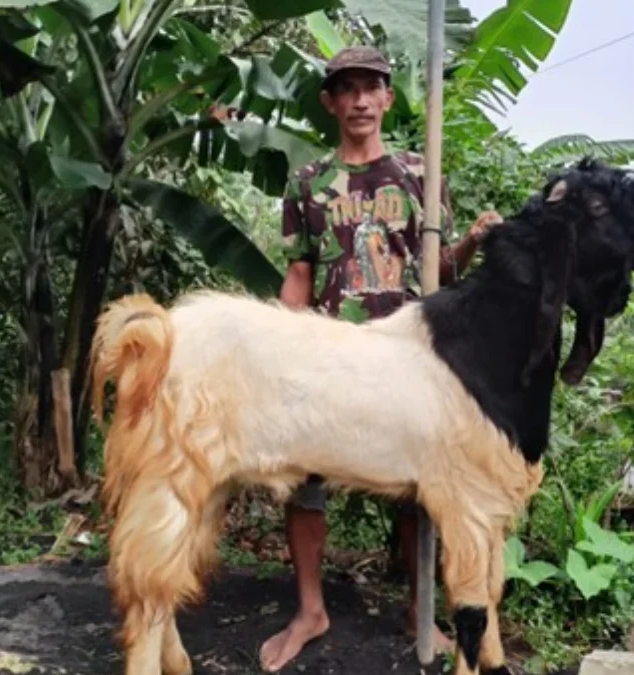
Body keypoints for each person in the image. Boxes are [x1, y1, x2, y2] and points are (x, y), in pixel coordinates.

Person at [258, 45, 503, 672]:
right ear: (331, 102)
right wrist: (275, 348)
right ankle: (311, 609)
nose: (361, 99)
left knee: (424, 487)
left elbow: (438, 272)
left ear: (389, 99)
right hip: (332, 360)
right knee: (304, 481)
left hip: (407, 360)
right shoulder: (309, 181)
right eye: (348, 89)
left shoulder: (422, 173)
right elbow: (300, 274)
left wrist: (471, 240)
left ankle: (421, 610)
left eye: (373, 87)